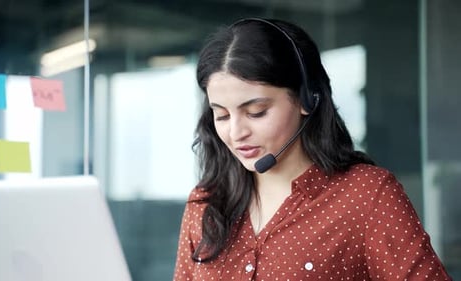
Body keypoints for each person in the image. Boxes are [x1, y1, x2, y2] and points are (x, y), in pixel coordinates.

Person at [173, 17, 452, 280]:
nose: (235, 133)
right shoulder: (204, 203)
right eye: (221, 115)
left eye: (256, 112)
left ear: (307, 99)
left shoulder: (366, 197)